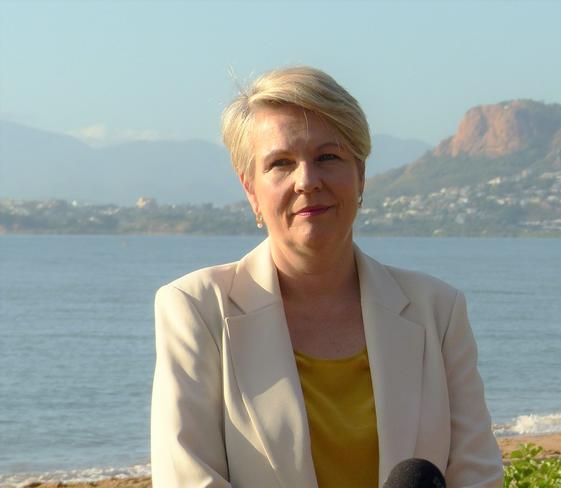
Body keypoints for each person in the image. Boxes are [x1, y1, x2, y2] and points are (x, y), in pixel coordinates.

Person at [151, 66, 503, 488]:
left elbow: (476, 476)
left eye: (328, 157)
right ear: (251, 190)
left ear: (360, 175)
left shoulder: (438, 312)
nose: (307, 181)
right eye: (280, 163)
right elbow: (187, 479)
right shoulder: (198, 309)